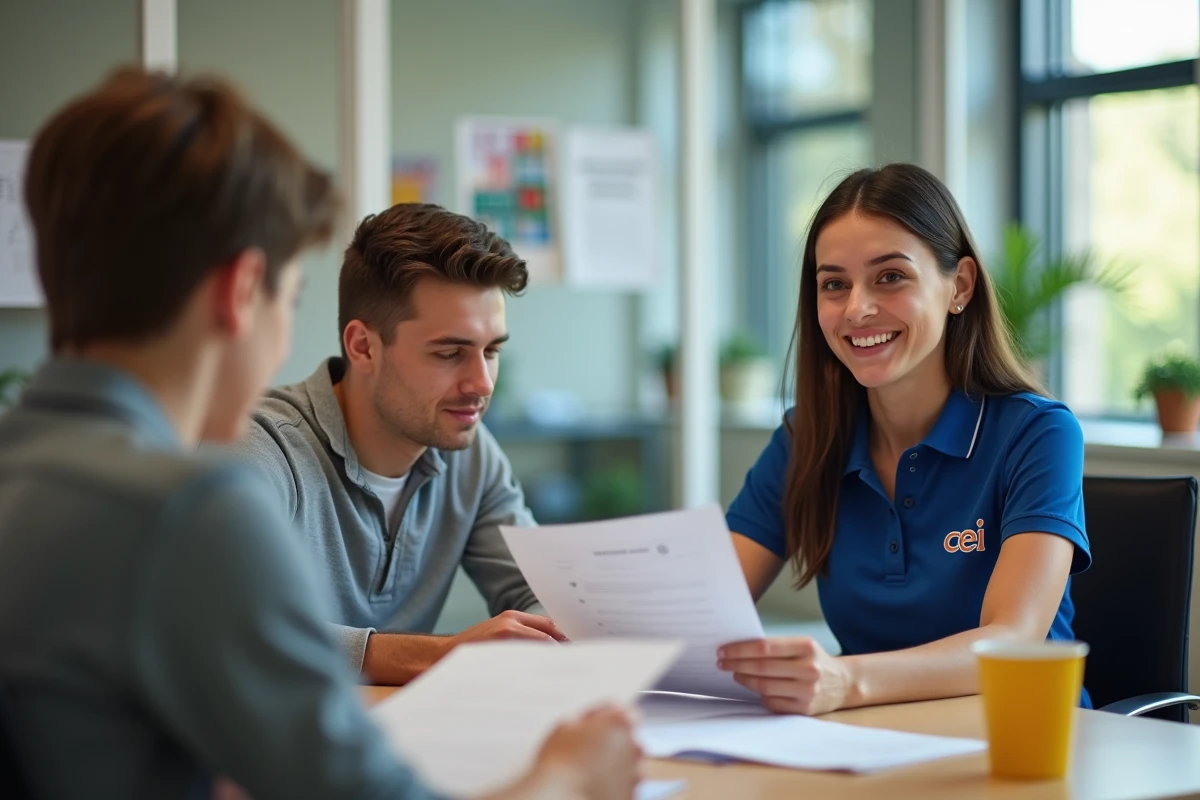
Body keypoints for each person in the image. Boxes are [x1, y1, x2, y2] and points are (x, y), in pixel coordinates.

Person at [0, 67, 640, 800]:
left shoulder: (32, 470)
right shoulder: (189, 508)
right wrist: (570, 777)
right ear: (242, 292)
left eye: (491, 351)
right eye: (290, 297)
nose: (480, 381)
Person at [718, 163, 1092, 716]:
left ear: (959, 286)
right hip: (869, 742)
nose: (857, 309)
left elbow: (1012, 640)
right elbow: (704, 609)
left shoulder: (1038, 433)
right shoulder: (808, 437)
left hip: (1018, 738)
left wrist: (845, 681)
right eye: (834, 284)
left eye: (890, 276)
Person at [224, 203, 561, 686]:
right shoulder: (259, 450)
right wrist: (442, 655)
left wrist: (554, 628)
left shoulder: (471, 452)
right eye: (450, 353)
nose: (482, 384)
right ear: (363, 347)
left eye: (491, 351)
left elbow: (542, 593)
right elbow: (230, 623)